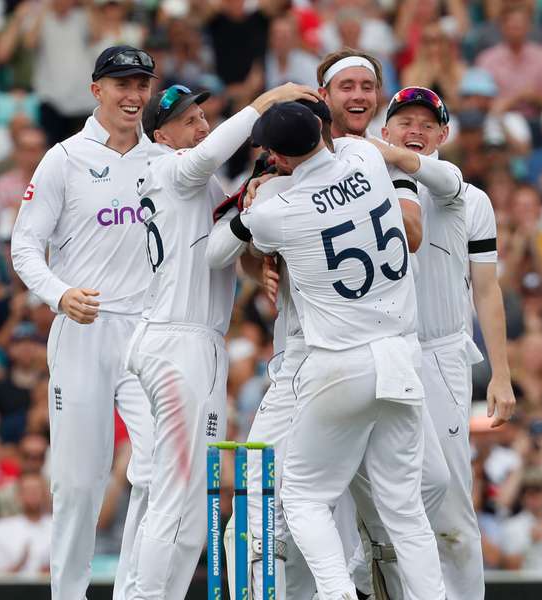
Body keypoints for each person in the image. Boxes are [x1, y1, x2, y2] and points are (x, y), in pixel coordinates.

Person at [239, 101, 446, 600]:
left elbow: (251, 227)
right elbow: (358, 149)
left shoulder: (276, 213)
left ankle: (335, 595)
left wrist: (260, 183)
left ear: (279, 157)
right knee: (405, 508)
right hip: (399, 356)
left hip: (338, 362)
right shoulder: (364, 158)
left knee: (304, 497)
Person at [122, 81, 311, 599]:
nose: (201, 126)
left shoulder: (196, 183)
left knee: (190, 500)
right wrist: (267, 102)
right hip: (176, 341)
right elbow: (207, 156)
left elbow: (226, 247)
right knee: (176, 493)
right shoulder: (164, 168)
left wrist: (264, 262)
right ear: (160, 134)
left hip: (195, 343)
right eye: (188, 119)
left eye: (203, 116)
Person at [10, 45, 157, 600]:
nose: (133, 95)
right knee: (77, 483)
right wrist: (59, 293)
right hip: (83, 330)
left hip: (145, 334)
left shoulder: (161, 162)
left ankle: (132, 592)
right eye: (121, 84)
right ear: (97, 90)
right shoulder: (64, 158)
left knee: (162, 466)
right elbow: (25, 247)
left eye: (141, 84)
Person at [362, 86, 514, 600]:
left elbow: (487, 290)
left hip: (443, 353)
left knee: (450, 498)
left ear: (444, 135)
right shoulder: (364, 190)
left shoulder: (468, 197)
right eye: (404, 122)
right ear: (386, 131)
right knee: (385, 490)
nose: (415, 131)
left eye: (428, 124)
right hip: (380, 352)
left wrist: (502, 373)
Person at [206, 96, 333, 600]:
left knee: (292, 497)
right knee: (279, 496)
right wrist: (264, 258)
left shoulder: (286, 188)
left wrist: (256, 210)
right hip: (303, 354)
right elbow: (247, 263)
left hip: (321, 356)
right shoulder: (360, 166)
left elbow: (220, 249)